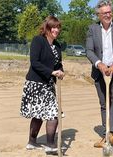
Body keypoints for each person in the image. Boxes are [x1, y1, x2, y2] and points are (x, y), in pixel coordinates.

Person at [86, 0, 113, 148]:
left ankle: (110, 131)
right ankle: (107, 134)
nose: (108, 14)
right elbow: (89, 50)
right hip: (100, 71)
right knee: (104, 103)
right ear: (98, 15)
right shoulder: (92, 29)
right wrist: (99, 64)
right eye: (105, 13)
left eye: (110, 12)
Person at [20, 15, 65, 153]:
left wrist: (61, 71)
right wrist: (52, 72)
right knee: (38, 114)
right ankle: (32, 141)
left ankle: (50, 145)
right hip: (35, 83)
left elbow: (58, 64)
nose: (56, 30)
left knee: (53, 113)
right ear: (47, 28)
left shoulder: (57, 46)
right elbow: (35, 62)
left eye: (58, 27)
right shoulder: (38, 41)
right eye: (53, 27)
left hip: (49, 85)